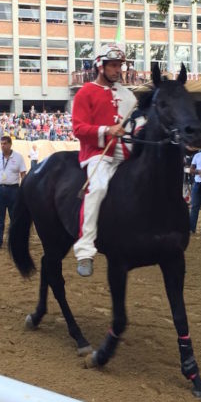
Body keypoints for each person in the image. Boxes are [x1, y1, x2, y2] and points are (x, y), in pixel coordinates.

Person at [70, 42, 136, 277]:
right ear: (101, 66)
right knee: (97, 188)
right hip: (99, 154)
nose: (118, 70)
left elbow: (137, 124)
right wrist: (107, 130)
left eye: (120, 65)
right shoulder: (84, 93)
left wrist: (139, 132)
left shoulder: (128, 95)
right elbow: (78, 129)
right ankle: (85, 250)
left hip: (128, 153)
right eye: (114, 66)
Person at [0, 136, 27, 250]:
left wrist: (24, 191)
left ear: (10, 144)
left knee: (15, 217)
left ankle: (15, 241)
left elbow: (23, 175)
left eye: (5, 143)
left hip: (14, 190)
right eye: (1, 144)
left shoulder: (18, 158)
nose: (2, 146)